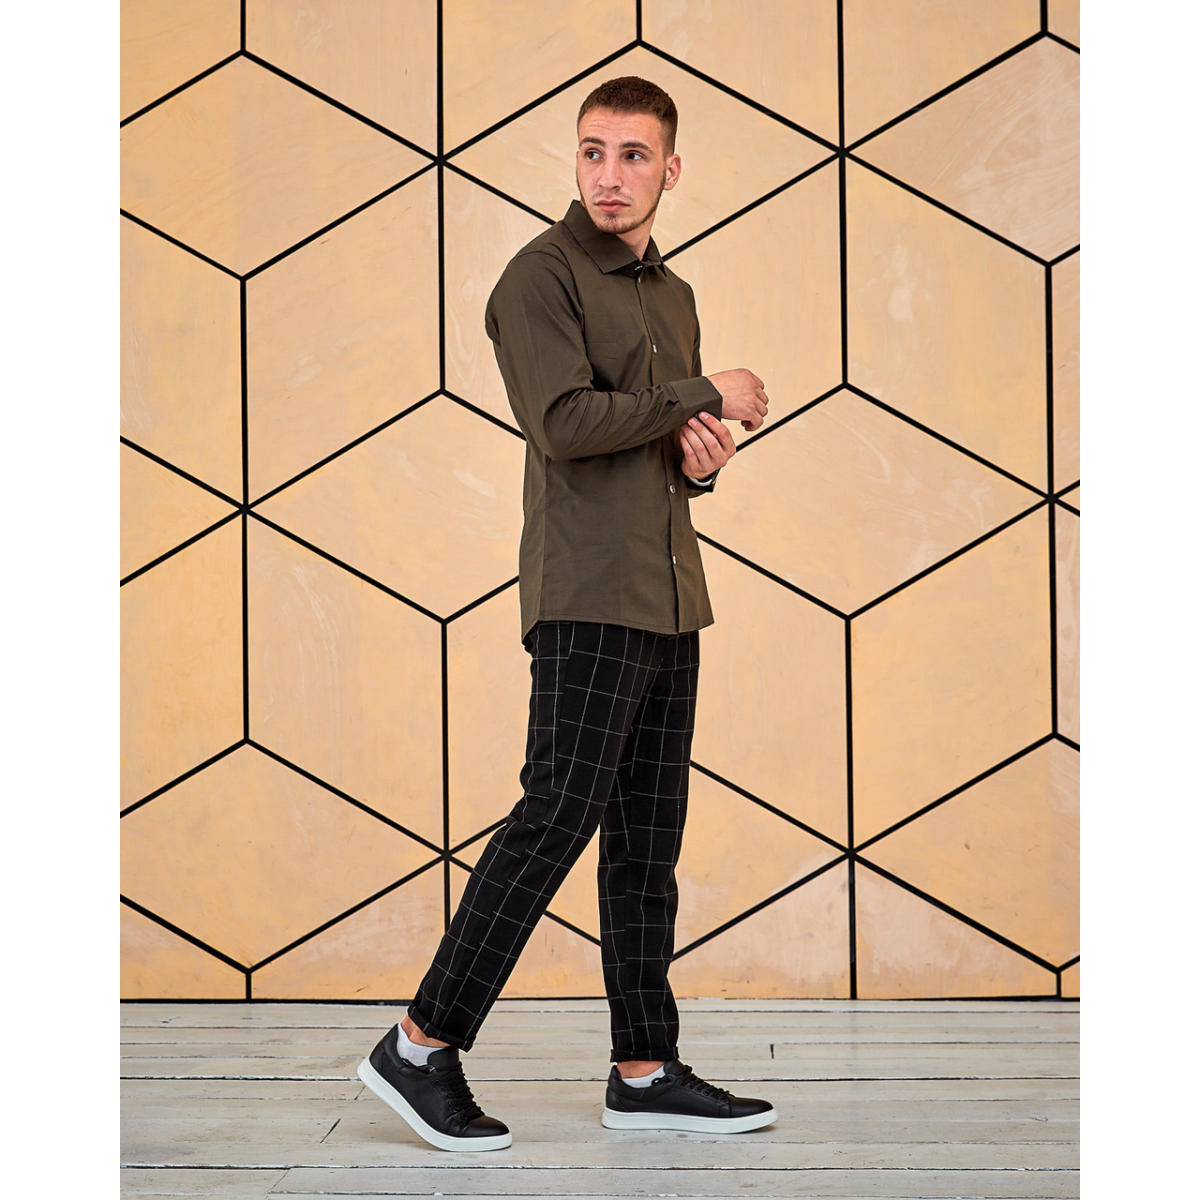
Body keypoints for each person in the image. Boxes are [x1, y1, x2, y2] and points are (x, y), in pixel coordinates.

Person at [358, 76, 774, 1152]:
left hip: (669, 592)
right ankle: (420, 1044)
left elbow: (651, 445)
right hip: (587, 590)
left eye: (633, 156)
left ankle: (644, 1068)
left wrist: (699, 459)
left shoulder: (672, 295)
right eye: (593, 151)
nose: (609, 175)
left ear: (670, 170)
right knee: (555, 815)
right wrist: (705, 394)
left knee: (646, 841)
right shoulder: (537, 277)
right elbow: (565, 423)